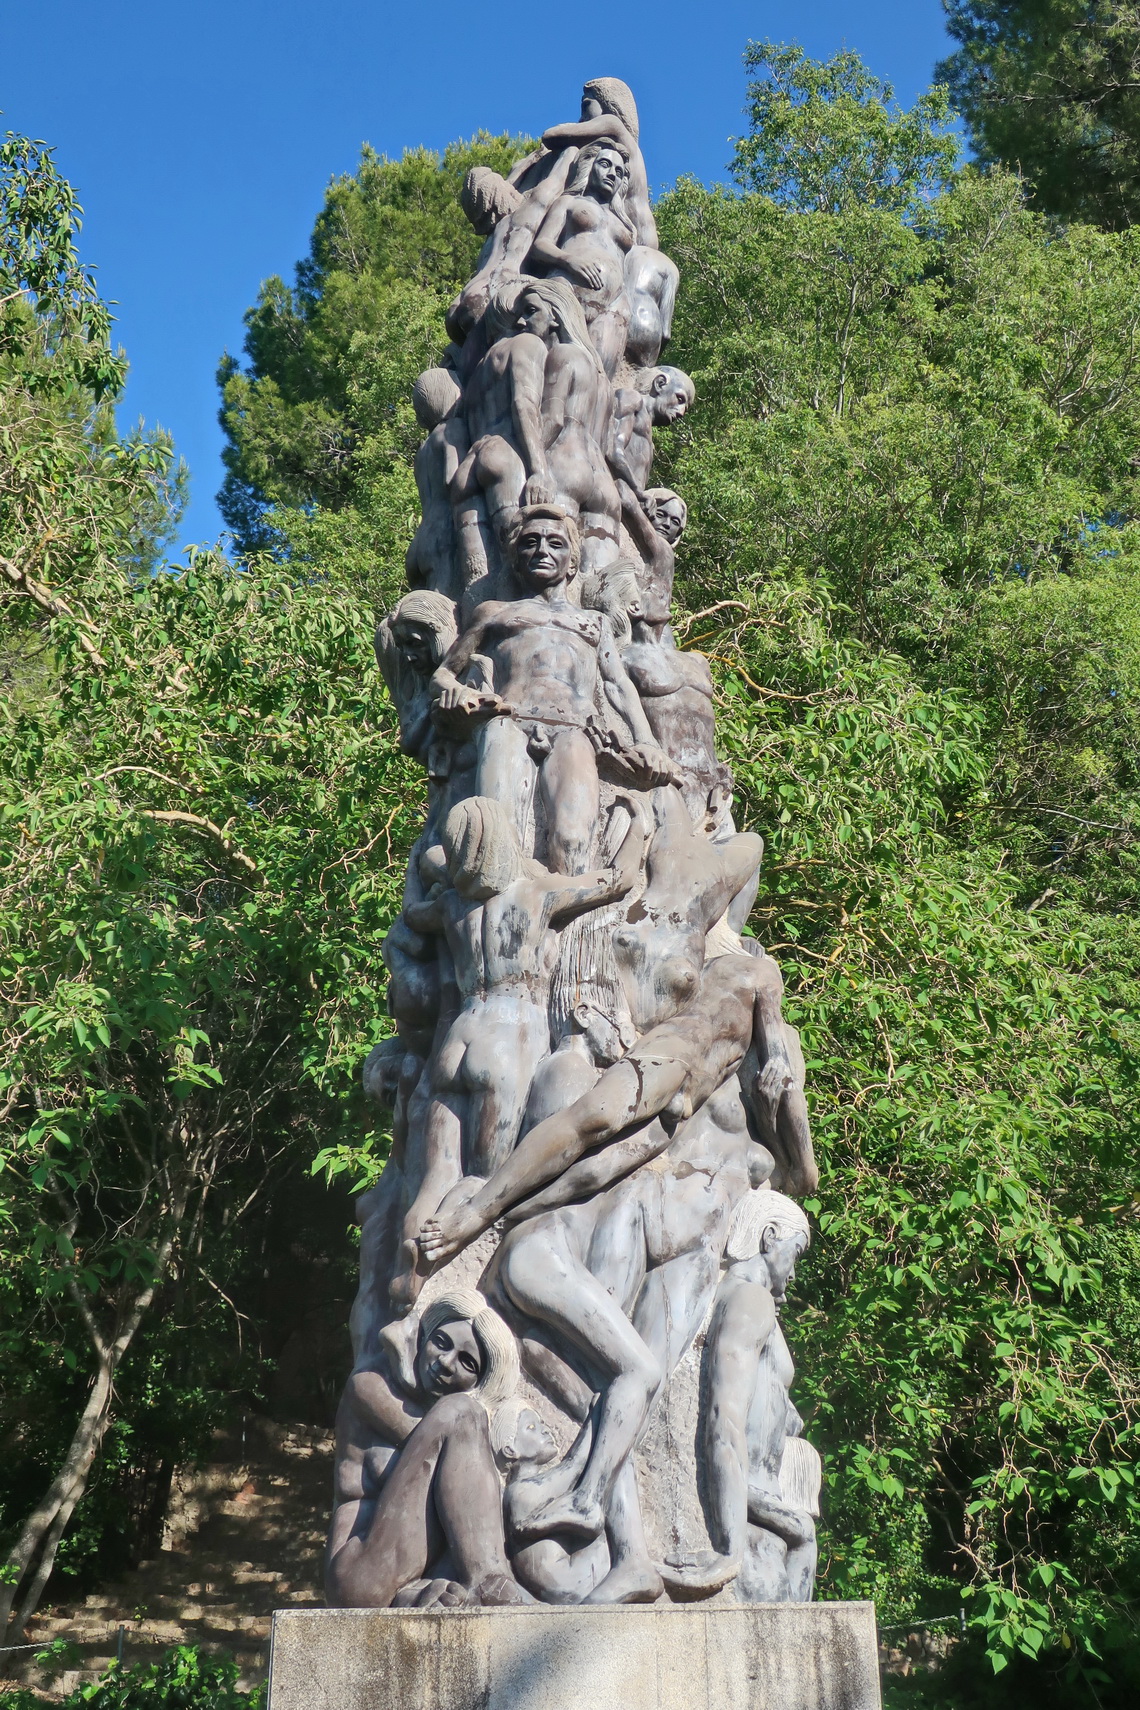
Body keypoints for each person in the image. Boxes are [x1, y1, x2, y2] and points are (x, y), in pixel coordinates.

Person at [418, 924, 817, 1270]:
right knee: (591, 1120)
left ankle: (503, 1221)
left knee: (596, 1173)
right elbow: (777, 1057)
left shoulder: (725, 971)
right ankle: (476, 1213)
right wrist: (801, 1166)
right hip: (674, 1054)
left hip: (689, 1095)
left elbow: (772, 1064)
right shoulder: (758, 969)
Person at [388, 793, 645, 1309]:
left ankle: (405, 1278)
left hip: (458, 1036)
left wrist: (425, 859)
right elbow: (615, 881)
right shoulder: (536, 892)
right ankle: (480, 1282)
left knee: (437, 1174)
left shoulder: (451, 906)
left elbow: (413, 911)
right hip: (509, 1040)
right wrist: (637, 823)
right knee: (485, 1179)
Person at [430, 505, 678, 874]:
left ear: (572, 562)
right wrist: (456, 692)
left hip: (575, 731)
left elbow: (617, 684)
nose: (542, 550)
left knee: (574, 844)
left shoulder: (593, 623)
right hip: (508, 725)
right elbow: (443, 675)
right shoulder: (493, 612)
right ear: (515, 559)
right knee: (498, 836)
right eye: (531, 542)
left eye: (555, 543)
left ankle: (563, 912)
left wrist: (647, 741)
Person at [326, 1288, 533, 1609]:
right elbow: (452, 1444)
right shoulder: (369, 1387)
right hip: (358, 1571)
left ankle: (424, 1591)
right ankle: (489, 1580)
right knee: (461, 1412)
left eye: (467, 1362)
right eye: (441, 1342)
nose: (446, 1363)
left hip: (402, 1570)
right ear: (423, 1337)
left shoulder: (441, 1424)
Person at [661, 1193, 819, 1602]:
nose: (796, 1271)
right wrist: (730, 1551)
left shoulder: (754, 1301)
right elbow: (723, 1419)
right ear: (769, 1237)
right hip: (749, 1528)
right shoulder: (749, 1300)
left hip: (764, 1518)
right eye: (796, 1252)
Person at [526, 143, 636, 376]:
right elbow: (540, 245)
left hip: (614, 307)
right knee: (554, 367)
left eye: (619, 171)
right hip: (569, 287)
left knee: (598, 378)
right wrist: (569, 260)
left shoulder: (624, 223)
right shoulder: (570, 202)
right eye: (605, 164)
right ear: (589, 167)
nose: (612, 174)